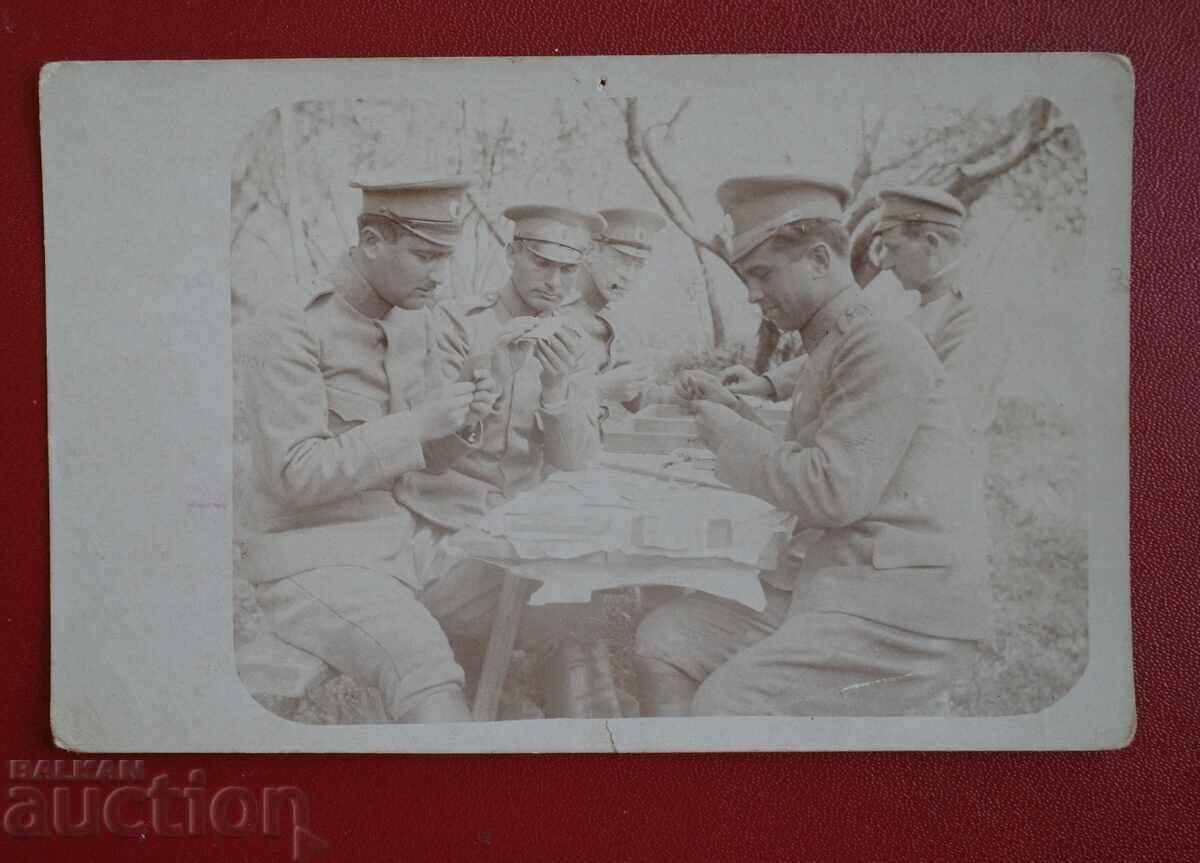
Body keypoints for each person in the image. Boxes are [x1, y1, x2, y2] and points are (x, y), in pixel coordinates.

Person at [634, 175, 992, 717]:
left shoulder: (882, 344)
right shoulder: (840, 342)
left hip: (906, 612)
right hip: (843, 584)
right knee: (664, 638)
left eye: (762, 275)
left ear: (820, 260)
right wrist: (739, 415)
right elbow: (823, 453)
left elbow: (832, 490)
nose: (753, 294)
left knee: (725, 706)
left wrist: (732, 435)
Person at [245, 177, 499, 723]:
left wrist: (461, 421)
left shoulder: (413, 319)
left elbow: (425, 462)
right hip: (315, 562)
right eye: (425, 256)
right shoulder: (290, 322)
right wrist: (416, 423)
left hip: (400, 549)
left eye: (445, 257)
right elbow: (295, 474)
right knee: (428, 677)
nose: (439, 274)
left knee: (527, 593)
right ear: (371, 241)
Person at [394, 204, 611, 717]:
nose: (555, 282)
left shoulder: (573, 341)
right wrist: (490, 374)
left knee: (587, 586)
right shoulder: (453, 323)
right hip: (440, 532)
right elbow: (426, 453)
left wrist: (557, 393)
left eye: (568, 269)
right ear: (513, 253)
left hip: (520, 534)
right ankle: (541, 714)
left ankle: (584, 729)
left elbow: (578, 461)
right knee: (566, 603)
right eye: (542, 264)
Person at [720, 185, 1006, 440]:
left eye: (893, 249)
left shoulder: (975, 315)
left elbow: (950, 424)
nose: (886, 264)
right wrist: (768, 384)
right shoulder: (913, 302)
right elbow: (851, 349)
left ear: (931, 244)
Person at [559, 207, 666, 412]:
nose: (629, 276)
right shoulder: (553, 310)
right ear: (590, 252)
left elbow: (636, 396)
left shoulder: (612, 320)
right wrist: (601, 389)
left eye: (638, 265)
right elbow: (524, 398)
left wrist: (679, 393)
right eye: (623, 260)